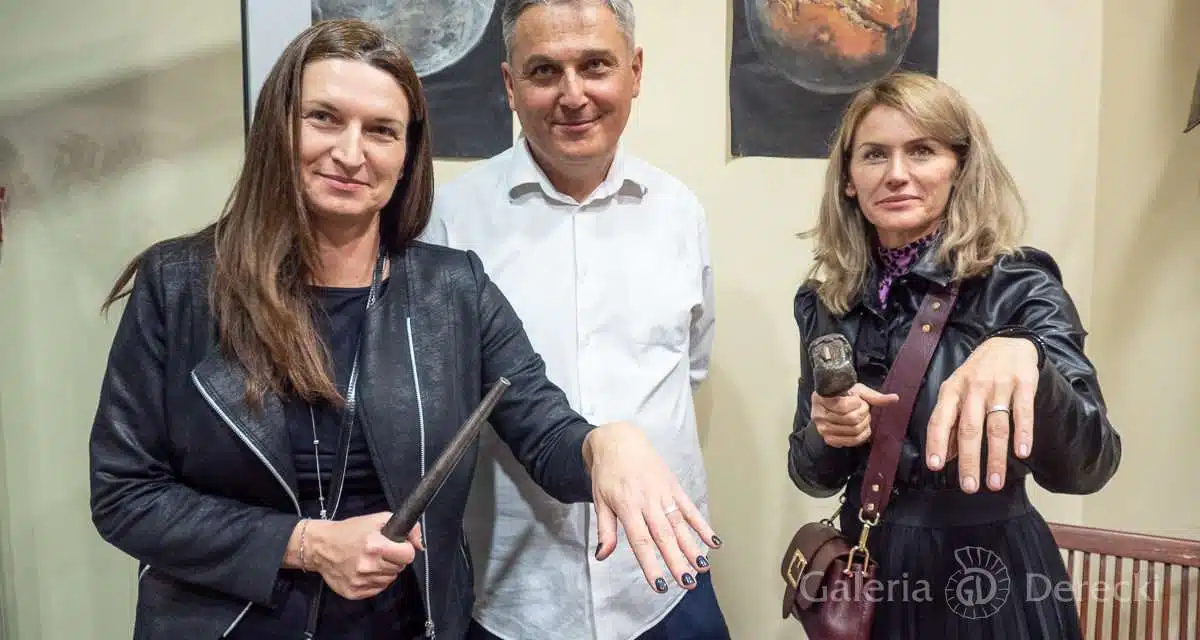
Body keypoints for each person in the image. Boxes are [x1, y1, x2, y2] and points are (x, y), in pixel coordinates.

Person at [87, 19, 719, 640]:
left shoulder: (454, 288)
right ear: (279, 125)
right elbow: (124, 494)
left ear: (408, 152)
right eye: (324, 118)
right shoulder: (179, 285)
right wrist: (304, 545)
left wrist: (605, 444)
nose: (351, 153)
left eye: (381, 130)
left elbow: (544, 429)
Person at [420, 1, 730, 639]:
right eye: (543, 71)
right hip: (515, 596)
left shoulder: (680, 211)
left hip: (663, 581)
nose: (573, 95)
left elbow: (690, 369)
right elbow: (437, 404)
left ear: (634, 72)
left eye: (595, 66)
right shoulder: (451, 221)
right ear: (509, 84)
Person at [787, 71, 1122, 639]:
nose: (897, 174)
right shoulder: (829, 300)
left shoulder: (1019, 287)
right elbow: (810, 476)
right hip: (874, 579)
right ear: (848, 179)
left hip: (990, 582)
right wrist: (829, 433)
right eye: (874, 154)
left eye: (922, 151)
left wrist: (1030, 355)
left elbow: (1090, 466)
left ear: (959, 168)